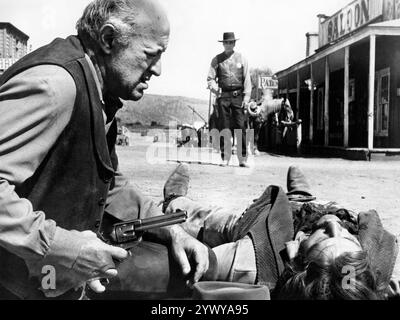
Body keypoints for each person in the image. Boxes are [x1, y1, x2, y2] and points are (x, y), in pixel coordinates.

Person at [0, 0, 211, 299]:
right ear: (109, 39)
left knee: (181, 264)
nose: (159, 70)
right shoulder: (56, 85)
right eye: (151, 55)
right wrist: (60, 246)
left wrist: (170, 229)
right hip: (16, 283)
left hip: (45, 278)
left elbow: (107, 182)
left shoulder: (99, 91)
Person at [163, 164, 399, 300]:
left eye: (326, 238)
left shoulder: (249, 263)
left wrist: (175, 225)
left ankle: (175, 200)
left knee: (217, 220)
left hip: (271, 224)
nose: (335, 225)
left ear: (298, 252)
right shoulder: (368, 270)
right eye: (349, 239)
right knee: (321, 208)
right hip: (317, 213)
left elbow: (200, 265)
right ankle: (302, 197)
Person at [207, 32, 252, 168]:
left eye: (231, 42)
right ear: (223, 44)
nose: (228, 44)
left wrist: (247, 96)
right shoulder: (216, 60)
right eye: (226, 42)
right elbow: (210, 79)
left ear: (234, 43)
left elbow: (247, 79)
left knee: (240, 126)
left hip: (238, 96)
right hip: (223, 96)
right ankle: (225, 157)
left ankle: (242, 159)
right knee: (224, 127)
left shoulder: (242, 59)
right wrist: (216, 89)